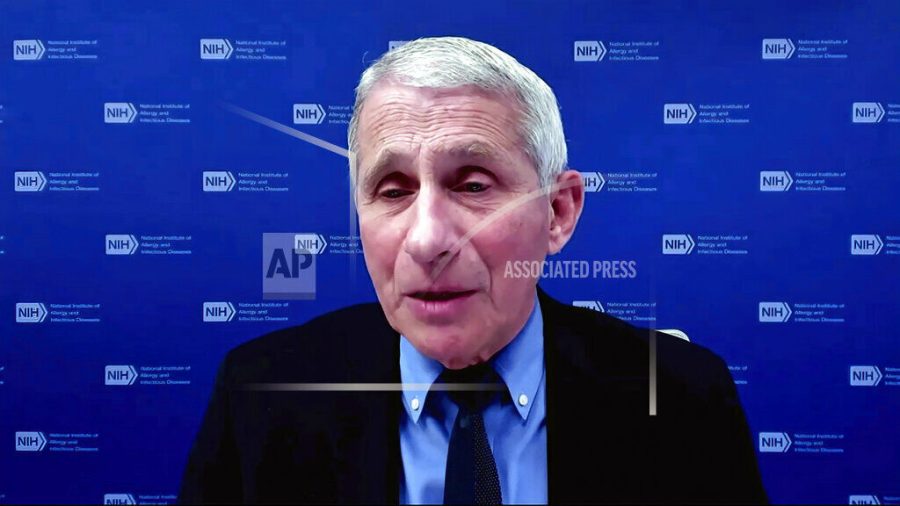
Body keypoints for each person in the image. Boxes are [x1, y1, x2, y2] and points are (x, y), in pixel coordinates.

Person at [179, 36, 767, 504]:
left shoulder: (682, 397)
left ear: (558, 212)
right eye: (392, 189)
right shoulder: (260, 393)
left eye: (474, 184)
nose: (428, 238)